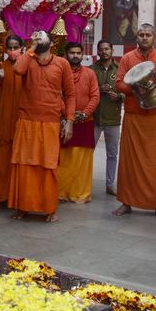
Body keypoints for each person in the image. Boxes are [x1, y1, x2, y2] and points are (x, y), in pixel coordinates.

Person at [8, 30, 76, 222]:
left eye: (41, 36)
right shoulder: (27, 59)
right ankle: (22, 207)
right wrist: (31, 49)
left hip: (50, 122)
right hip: (26, 120)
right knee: (24, 164)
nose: (37, 37)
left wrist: (69, 122)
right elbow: (17, 70)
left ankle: (49, 209)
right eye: (34, 35)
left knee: (48, 165)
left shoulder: (62, 63)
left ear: (51, 42)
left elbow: (70, 94)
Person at [113, 24, 156, 218]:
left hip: (155, 117)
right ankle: (126, 202)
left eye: (148, 35)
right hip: (134, 116)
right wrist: (136, 88)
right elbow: (118, 83)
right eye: (141, 35)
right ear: (136, 38)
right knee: (128, 162)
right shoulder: (127, 58)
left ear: (154, 38)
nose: (144, 37)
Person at [57, 42, 101, 203]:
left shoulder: (90, 73)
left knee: (83, 160)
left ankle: (80, 193)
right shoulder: (60, 72)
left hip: (85, 122)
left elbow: (95, 96)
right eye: (72, 53)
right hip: (64, 121)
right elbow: (58, 95)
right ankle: (62, 191)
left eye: (78, 53)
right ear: (66, 54)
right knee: (64, 158)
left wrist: (84, 113)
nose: (75, 56)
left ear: (82, 55)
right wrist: (67, 114)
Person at [0, 35, 24, 204]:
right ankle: (1, 195)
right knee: (2, 156)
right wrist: (0, 78)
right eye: (9, 48)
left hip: (20, 120)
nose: (12, 51)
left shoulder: (27, 68)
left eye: (15, 47)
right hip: (3, 120)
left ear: (22, 48)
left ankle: (15, 196)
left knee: (18, 158)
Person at [92, 40, 123, 196]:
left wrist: (119, 96)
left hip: (113, 119)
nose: (104, 52)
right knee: (87, 152)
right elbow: (86, 90)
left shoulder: (120, 69)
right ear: (97, 52)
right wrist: (99, 89)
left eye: (106, 49)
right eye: (101, 49)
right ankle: (84, 182)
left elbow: (128, 90)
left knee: (112, 154)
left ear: (112, 49)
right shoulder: (91, 69)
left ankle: (110, 184)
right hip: (94, 118)